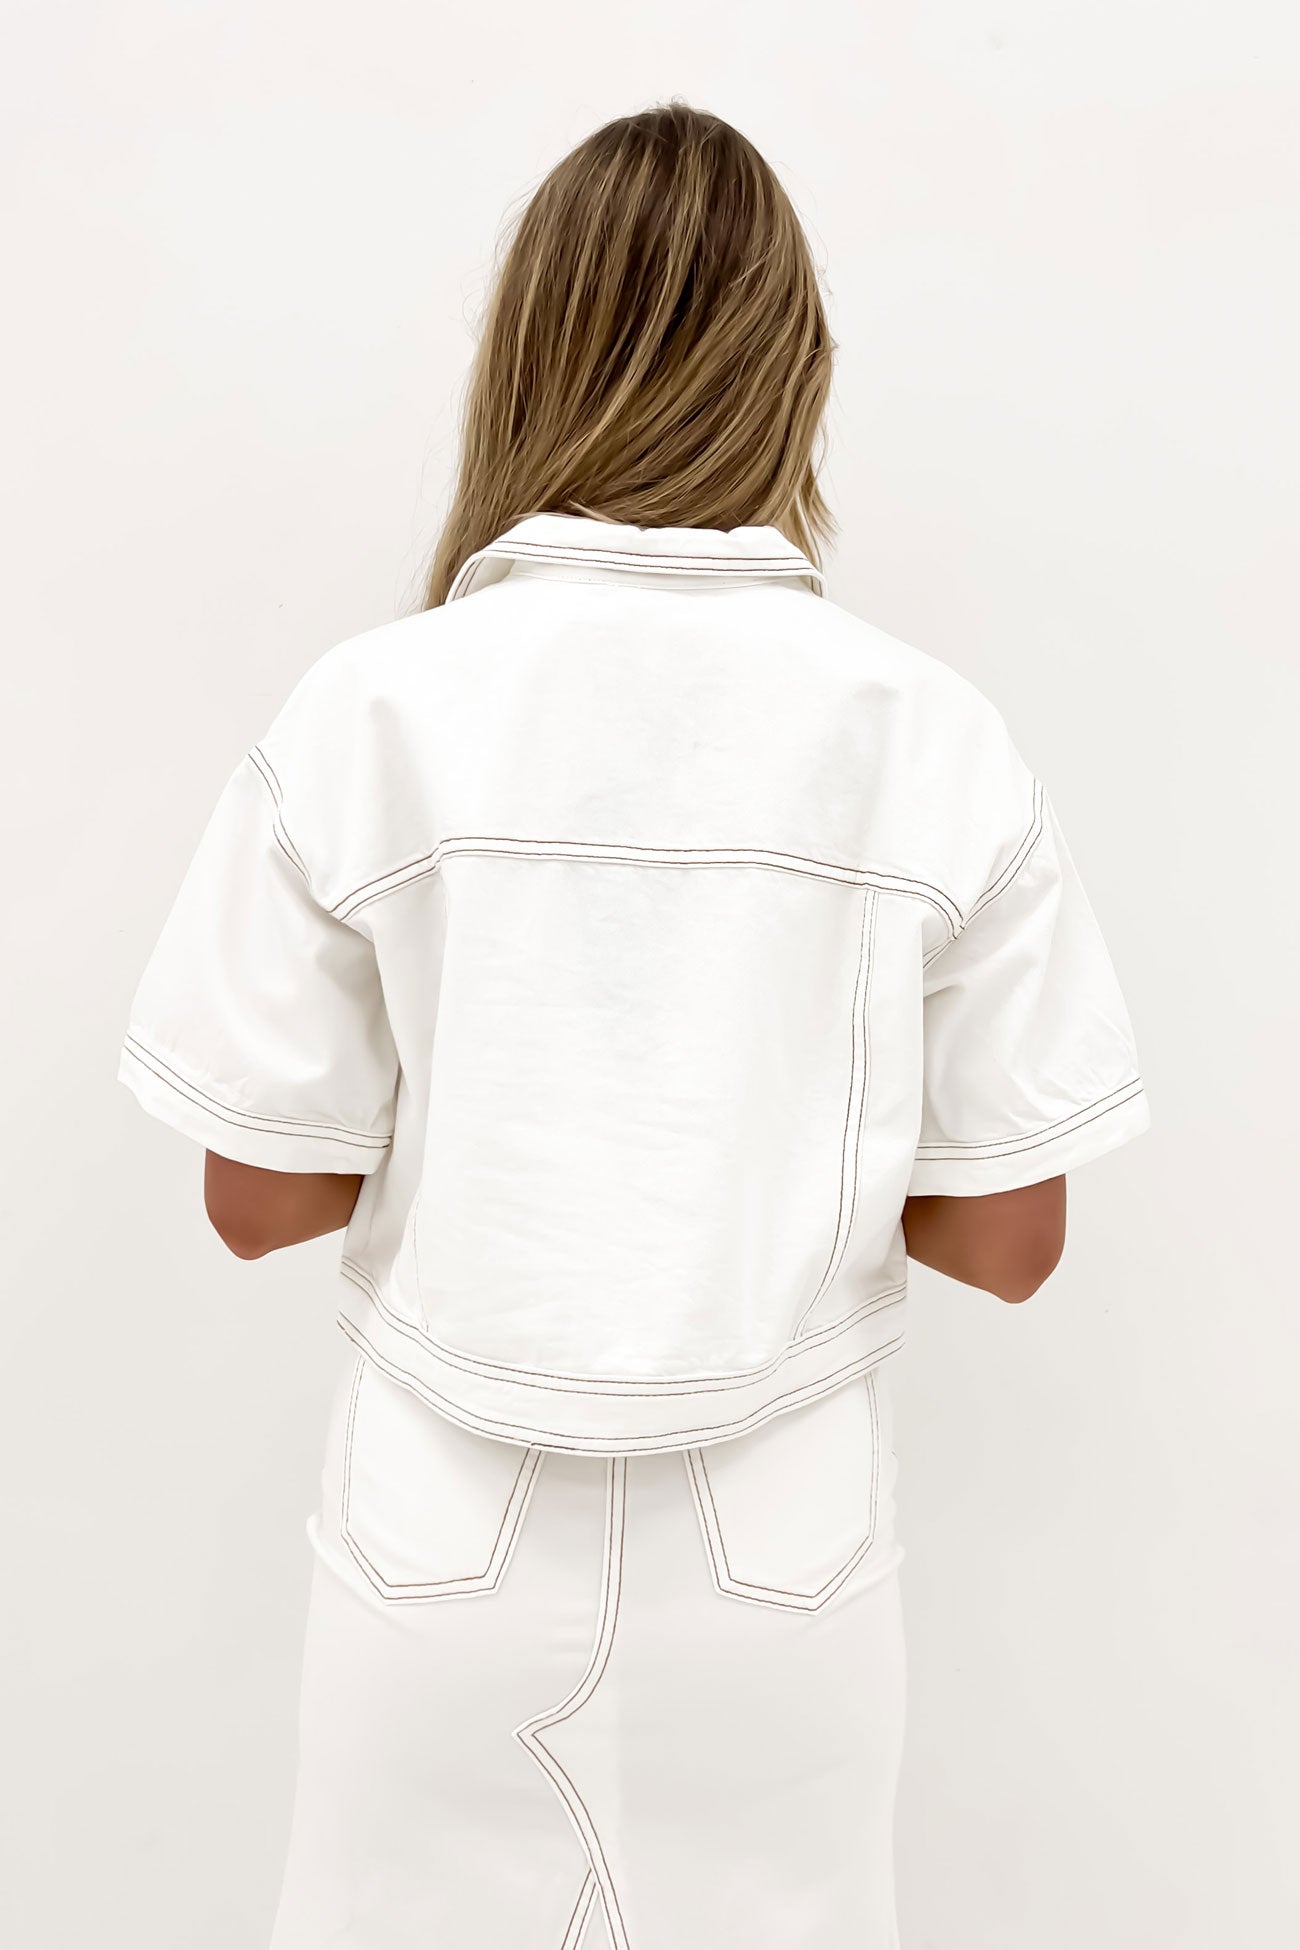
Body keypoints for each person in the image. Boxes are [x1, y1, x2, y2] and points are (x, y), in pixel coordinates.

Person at [117, 101, 1150, 1950]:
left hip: (434, 1541)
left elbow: (258, 1198)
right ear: (793, 371)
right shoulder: (929, 734)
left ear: (527, 353)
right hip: (789, 1560)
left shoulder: (372, 710)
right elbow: (1012, 1237)